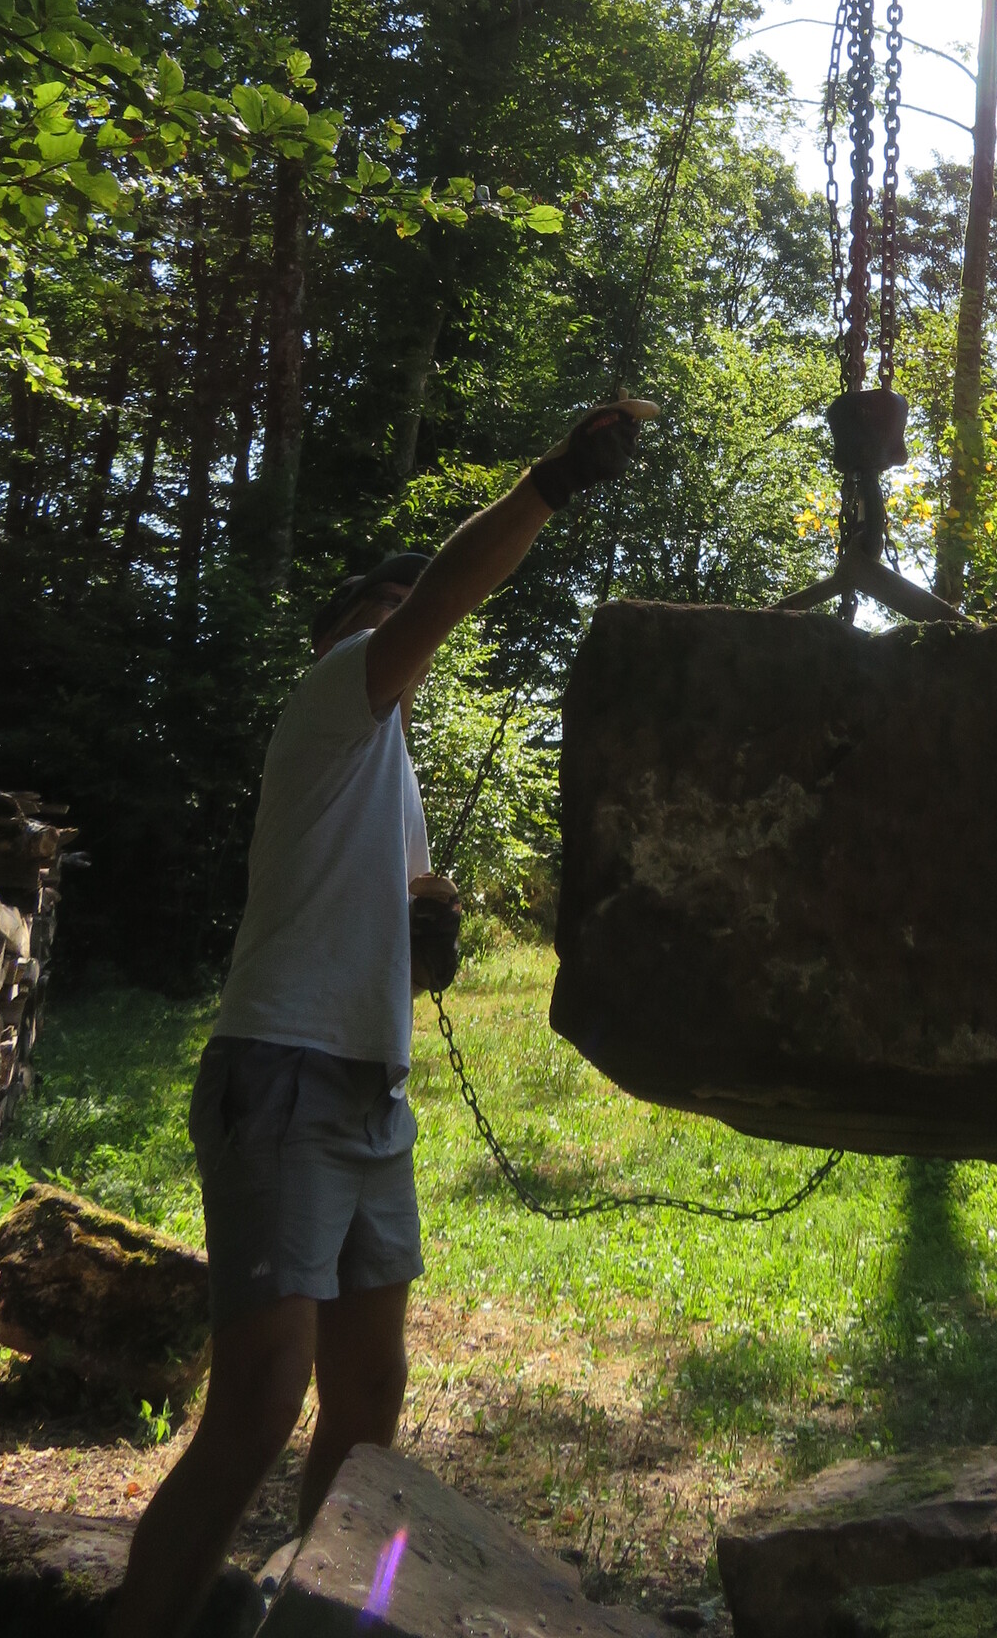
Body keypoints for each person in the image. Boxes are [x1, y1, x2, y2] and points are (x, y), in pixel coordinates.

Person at [110, 397, 658, 1638]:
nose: (400, 627)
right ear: (337, 637)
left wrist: (427, 936)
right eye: (380, 612)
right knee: (259, 1405)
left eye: (400, 616)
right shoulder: (328, 698)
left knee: (367, 1413)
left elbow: (386, 921)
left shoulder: (389, 771)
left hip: (371, 1097)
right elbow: (441, 602)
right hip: (282, 1082)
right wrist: (554, 480)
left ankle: (320, 1621)